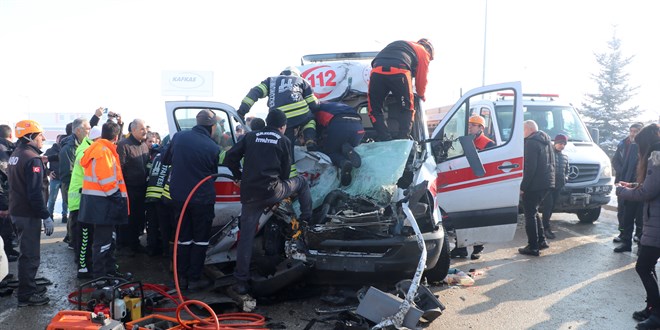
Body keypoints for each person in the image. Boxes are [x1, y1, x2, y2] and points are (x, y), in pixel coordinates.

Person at [223, 109, 312, 295]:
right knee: (302, 182)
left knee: (245, 238)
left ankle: (241, 282)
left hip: (249, 194)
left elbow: (230, 158)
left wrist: (238, 176)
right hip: (272, 191)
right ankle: (307, 219)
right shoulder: (283, 140)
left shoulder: (250, 136)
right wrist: (279, 193)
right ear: (282, 126)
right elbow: (286, 173)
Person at [162, 110, 221, 291]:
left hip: (179, 198)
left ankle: (181, 279)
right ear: (211, 127)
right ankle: (194, 280)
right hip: (202, 199)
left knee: (183, 238)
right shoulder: (213, 147)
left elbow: (166, 160)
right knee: (200, 240)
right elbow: (214, 174)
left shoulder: (179, 137)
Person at [615, 123, 660, 329]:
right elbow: (650, 187)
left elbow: (647, 193)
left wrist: (622, 192)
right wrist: (632, 185)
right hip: (655, 221)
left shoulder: (656, 156)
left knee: (643, 266)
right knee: (647, 265)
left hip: (657, 223)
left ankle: (657, 315)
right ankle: (652, 308)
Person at [7, 120, 53, 307]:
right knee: (30, 255)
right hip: (27, 213)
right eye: (40, 134)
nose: (43, 138)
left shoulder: (17, 154)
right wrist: (46, 215)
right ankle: (26, 295)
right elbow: (35, 193)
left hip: (17, 210)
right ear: (30, 137)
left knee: (26, 253)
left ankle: (29, 286)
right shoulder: (32, 158)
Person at [78, 121, 130, 280]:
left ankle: (109, 272)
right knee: (103, 243)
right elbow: (107, 181)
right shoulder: (104, 151)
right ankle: (100, 278)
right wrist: (118, 200)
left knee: (108, 241)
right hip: (104, 205)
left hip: (98, 205)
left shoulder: (99, 149)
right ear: (117, 136)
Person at [236, 66, 320, 152]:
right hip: (300, 114)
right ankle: (310, 141)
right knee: (310, 120)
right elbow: (313, 104)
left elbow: (255, 93)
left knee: (287, 147)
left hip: (278, 118)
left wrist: (242, 111)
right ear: (298, 74)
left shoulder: (270, 81)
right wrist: (319, 103)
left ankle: (289, 162)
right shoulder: (301, 80)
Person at [367, 38, 434, 141]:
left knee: (374, 110)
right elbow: (422, 78)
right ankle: (403, 142)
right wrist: (421, 94)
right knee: (406, 109)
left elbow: (378, 59)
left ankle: (385, 139)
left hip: (376, 71)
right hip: (400, 71)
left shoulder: (402, 45)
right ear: (429, 50)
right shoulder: (423, 51)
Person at [450, 115, 494, 260]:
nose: (470, 127)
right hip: (463, 183)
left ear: (481, 127)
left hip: (479, 185)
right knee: (460, 217)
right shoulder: (463, 141)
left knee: (479, 218)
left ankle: (478, 248)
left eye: (473, 125)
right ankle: (460, 248)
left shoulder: (489, 144)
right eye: (468, 125)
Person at [68, 126, 102, 279]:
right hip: (81, 200)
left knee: (84, 236)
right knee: (84, 237)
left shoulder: (86, 148)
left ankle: (85, 265)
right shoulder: (86, 152)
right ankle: (83, 268)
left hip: (83, 199)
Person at [518, 120, 555, 256]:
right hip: (547, 183)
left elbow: (530, 167)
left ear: (528, 129)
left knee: (529, 215)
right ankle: (541, 241)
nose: (522, 133)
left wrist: (523, 186)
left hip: (534, 184)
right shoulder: (546, 141)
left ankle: (533, 246)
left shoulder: (530, 142)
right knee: (534, 212)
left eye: (523, 130)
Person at [116, 119, 150, 256]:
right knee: (127, 219)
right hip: (128, 189)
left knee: (138, 218)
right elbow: (120, 168)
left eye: (145, 129)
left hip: (141, 188)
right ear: (133, 130)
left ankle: (135, 243)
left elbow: (147, 165)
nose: (145, 131)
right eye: (142, 129)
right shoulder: (124, 145)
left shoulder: (144, 146)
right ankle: (123, 245)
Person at [59, 117, 92, 249]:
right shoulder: (69, 148)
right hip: (72, 187)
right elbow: (67, 172)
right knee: (74, 214)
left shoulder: (81, 143)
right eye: (87, 128)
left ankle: (71, 237)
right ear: (78, 130)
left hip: (80, 186)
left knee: (77, 215)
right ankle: (73, 240)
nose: (89, 131)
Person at [314, 102, 364, 186]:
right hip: (358, 126)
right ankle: (348, 148)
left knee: (331, 152)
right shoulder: (334, 105)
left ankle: (343, 162)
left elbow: (317, 132)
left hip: (339, 123)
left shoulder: (315, 111)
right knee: (340, 145)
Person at [612, 123, 644, 244]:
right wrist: (622, 172)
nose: (632, 134)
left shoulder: (643, 146)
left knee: (639, 212)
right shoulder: (623, 144)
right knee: (622, 211)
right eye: (631, 131)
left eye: (635, 131)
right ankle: (622, 232)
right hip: (624, 181)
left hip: (638, 183)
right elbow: (615, 160)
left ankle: (639, 234)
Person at [540, 134, 570, 239]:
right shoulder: (548, 154)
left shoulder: (565, 157)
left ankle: (545, 227)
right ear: (555, 143)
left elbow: (567, 171)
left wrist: (565, 179)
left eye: (564, 144)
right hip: (548, 187)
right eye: (560, 143)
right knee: (547, 207)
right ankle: (545, 229)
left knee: (552, 207)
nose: (562, 146)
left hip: (559, 186)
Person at [0, 124, 19, 262]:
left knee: (7, 227)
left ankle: (8, 250)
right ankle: (5, 253)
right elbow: (4, 176)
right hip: (4, 197)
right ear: (10, 135)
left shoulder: (8, 148)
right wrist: (4, 205)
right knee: (4, 227)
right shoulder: (3, 150)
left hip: (7, 195)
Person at [44, 134, 67, 223]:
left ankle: (64, 215)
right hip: (55, 178)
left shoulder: (66, 149)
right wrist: (48, 172)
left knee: (65, 199)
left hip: (65, 178)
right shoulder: (50, 150)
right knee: (52, 199)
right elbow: (43, 162)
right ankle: (50, 215)